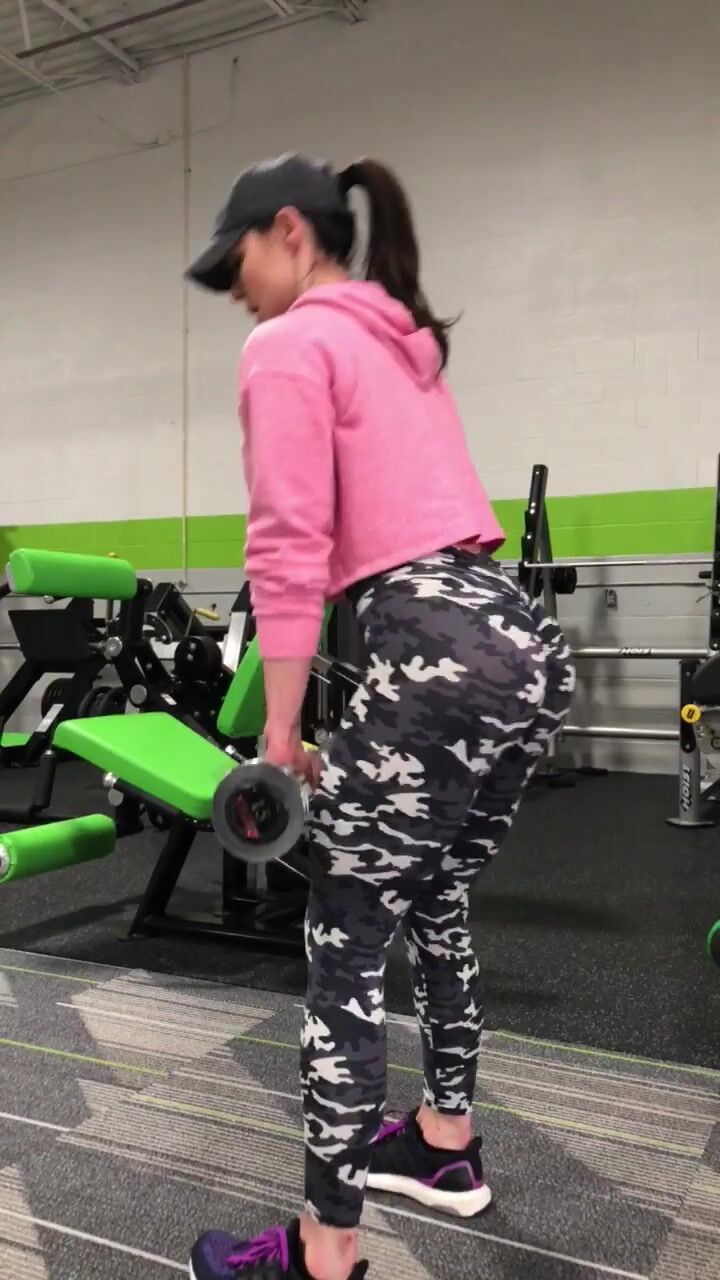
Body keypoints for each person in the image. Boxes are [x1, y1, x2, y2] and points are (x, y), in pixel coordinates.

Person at [185, 154, 575, 1280]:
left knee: (345, 945)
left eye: (237, 260)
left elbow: (287, 547)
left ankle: (324, 1252)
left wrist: (279, 739)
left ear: (290, 231)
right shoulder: (401, 339)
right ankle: (444, 1144)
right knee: (438, 898)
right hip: (520, 639)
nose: (234, 289)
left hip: (433, 647)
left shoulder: (289, 342)